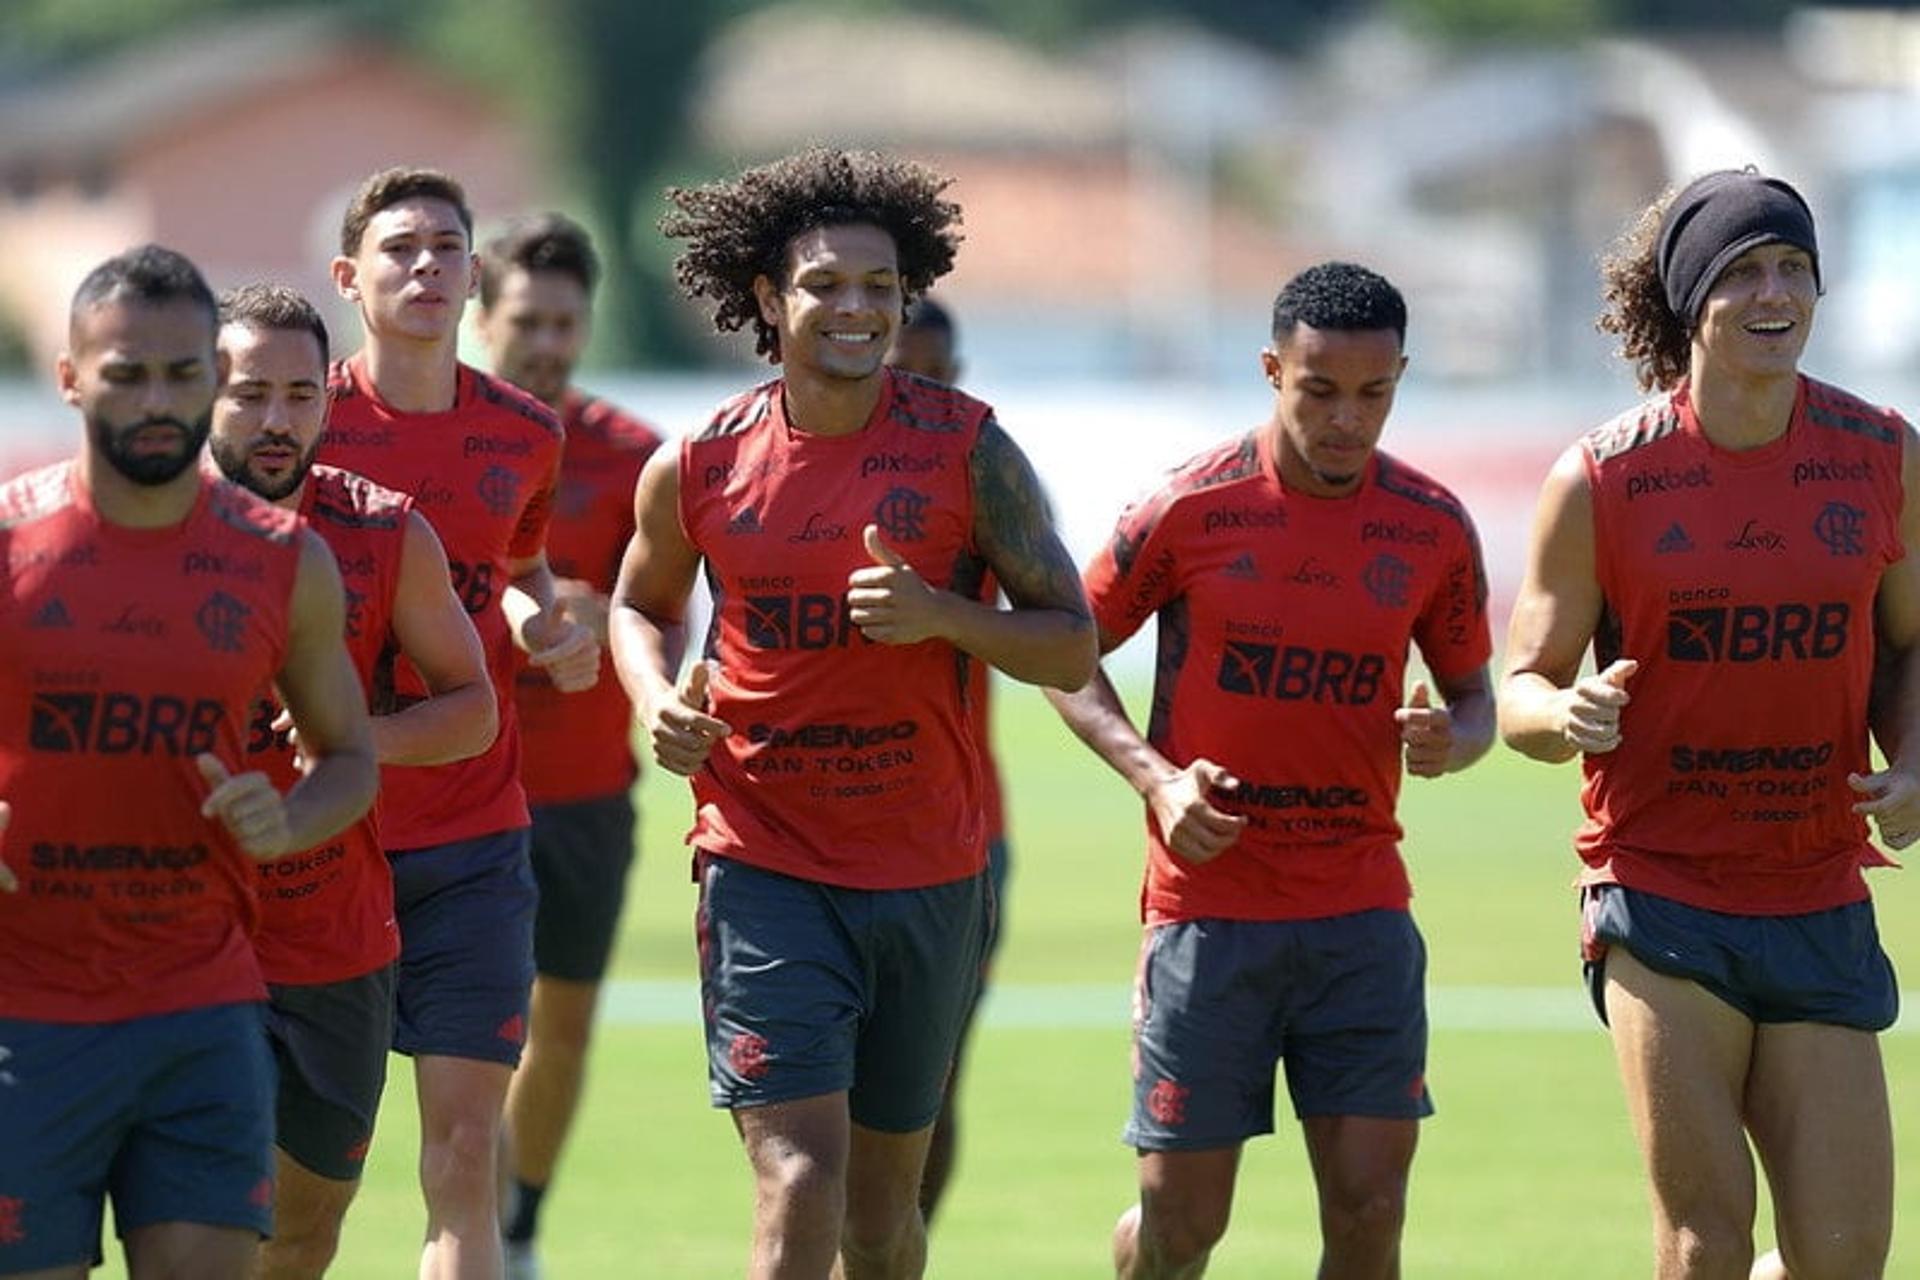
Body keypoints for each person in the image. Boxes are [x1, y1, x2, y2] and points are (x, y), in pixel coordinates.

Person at [613, 146, 1096, 1280]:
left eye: (880, 287)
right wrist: (656, 700)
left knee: (882, 1221)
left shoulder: (968, 449)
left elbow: (1070, 639)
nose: (857, 307)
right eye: (827, 283)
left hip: (929, 865)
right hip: (762, 858)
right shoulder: (700, 462)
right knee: (797, 1180)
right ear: (771, 299)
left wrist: (939, 612)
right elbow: (639, 606)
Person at [1499, 168, 1919, 1280]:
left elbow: (1910, 645)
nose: (1773, 291)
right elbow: (1518, 691)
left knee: (1845, 1260)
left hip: (1818, 885)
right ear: (1692, 300)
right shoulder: (1602, 478)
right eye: (1742, 272)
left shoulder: (1883, 455)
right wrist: (1566, 710)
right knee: (1703, 1243)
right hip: (1661, 888)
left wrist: (1914, 759)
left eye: (1793, 267)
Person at [1048, 261, 1495, 1280]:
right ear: (1271, 370)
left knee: (1371, 1207)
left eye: (1373, 393)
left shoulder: (1430, 526)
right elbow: (1061, 656)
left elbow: (1474, 701)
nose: (1348, 418)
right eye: (1319, 389)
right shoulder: (1188, 506)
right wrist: (1155, 778)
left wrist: (1451, 740)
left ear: (1401, 378)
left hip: (1361, 909)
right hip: (1209, 910)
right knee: (1181, 1229)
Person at [0, 246, 378, 1279]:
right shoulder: (8, 546)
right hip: (27, 1013)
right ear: (72, 377)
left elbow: (349, 757)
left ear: (211, 376)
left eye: (180, 372)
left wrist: (290, 820)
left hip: (200, 1009)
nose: (157, 399)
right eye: (127, 374)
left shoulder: (284, 560)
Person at [318, 167, 601, 1280]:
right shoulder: (300, 422)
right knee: (304, 1200)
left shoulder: (526, 432)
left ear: (474, 273)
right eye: (399, 248)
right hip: (319, 835)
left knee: (466, 1151)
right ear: (349, 276)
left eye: (446, 247)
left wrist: (542, 623)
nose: (426, 266)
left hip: (476, 837)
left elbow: (517, 564)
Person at [208, 282, 498, 1280]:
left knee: (305, 1229)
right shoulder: (141, 531)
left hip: (334, 935)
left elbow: (473, 706)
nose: (277, 418)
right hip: (180, 934)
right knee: (202, 1219)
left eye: (298, 393)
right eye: (249, 393)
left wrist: (359, 737)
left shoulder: (383, 534)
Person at [473, 214, 663, 1279]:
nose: (548, 340)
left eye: (566, 320)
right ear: (482, 319)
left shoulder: (634, 457)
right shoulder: (443, 445)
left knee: (564, 1026)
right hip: (448, 786)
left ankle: (520, 1225)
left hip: (585, 790)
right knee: (452, 1039)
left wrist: (618, 625)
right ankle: (461, 1218)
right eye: (526, 319)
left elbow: (668, 613)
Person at [880, 297, 1006, 1225]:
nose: (917, 392)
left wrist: (942, 614)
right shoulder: (795, 470)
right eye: (900, 371)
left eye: (934, 373)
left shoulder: (985, 480)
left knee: (929, 1094)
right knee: (807, 1112)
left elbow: (1068, 634)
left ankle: (902, 1249)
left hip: (959, 835)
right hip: (794, 835)